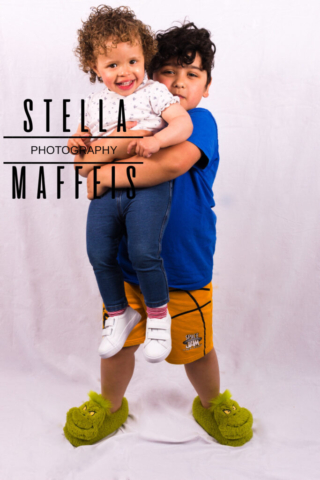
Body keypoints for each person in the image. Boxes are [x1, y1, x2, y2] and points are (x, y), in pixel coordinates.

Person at [64, 21, 253, 448]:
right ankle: (110, 404)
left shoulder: (199, 122)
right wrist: (90, 157)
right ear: (152, 77)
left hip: (185, 265)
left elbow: (168, 165)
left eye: (193, 75)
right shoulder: (132, 115)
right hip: (131, 262)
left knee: (197, 346)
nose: (180, 84)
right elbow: (87, 159)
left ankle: (211, 401)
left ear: (206, 86)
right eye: (168, 72)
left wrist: (101, 175)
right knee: (119, 343)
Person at [67, 6, 193, 363]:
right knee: (98, 253)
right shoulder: (95, 103)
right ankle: (119, 313)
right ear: (95, 68)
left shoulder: (153, 92)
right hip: (106, 193)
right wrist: (77, 139)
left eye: (133, 61)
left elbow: (182, 125)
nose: (125, 72)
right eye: (112, 65)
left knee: (143, 253)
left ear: (144, 59)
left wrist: (157, 140)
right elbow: (87, 138)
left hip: (146, 186)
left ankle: (158, 316)